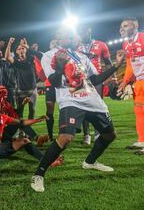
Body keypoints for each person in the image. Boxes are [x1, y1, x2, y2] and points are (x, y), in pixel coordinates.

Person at [30, 28, 125, 193]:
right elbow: (54, 82)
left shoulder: (81, 56)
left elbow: (95, 79)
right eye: (69, 35)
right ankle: (39, 174)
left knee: (110, 135)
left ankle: (89, 162)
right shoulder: (50, 55)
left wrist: (116, 66)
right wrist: (59, 68)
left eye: (74, 35)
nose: (74, 37)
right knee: (66, 138)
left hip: (93, 100)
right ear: (59, 37)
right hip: (71, 100)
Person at [76, 28, 116, 145]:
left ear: (89, 31)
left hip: (97, 79)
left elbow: (108, 62)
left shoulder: (101, 44)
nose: (81, 34)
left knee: (98, 106)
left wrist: (114, 78)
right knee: (83, 106)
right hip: (81, 79)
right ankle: (86, 134)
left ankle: (98, 132)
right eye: (79, 32)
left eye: (83, 32)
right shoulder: (76, 46)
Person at [117, 17, 144, 153]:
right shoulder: (125, 44)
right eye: (121, 26)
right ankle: (141, 140)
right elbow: (129, 65)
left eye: (126, 26)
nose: (122, 28)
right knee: (139, 111)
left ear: (136, 26)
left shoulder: (143, 38)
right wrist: (125, 81)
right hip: (139, 82)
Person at [5, 37, 39, 120]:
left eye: (23, 48)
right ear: (16, 51)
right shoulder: (16, 61)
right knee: (20, 111)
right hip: (21, 91)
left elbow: (37, 53)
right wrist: (9, 43)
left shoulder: (31, 59)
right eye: (19, 49)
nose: (21, 50)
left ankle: (28, 131)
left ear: (26, 50)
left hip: (32, 90)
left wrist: (25, 45)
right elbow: (7, 57)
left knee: (32, 111)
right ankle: (21, 131)